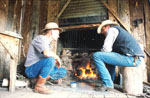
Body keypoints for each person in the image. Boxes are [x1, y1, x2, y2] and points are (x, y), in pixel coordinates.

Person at [93, 20, 144, 91]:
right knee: (108, 59)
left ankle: (108, 84)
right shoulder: (118, 31)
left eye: (102, 29)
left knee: (96, 55)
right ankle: (111, 81)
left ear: (107, 26)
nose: (102, 32)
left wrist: (100, 56)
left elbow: (106, 49)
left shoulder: (111, 30)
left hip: (132, 59)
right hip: (133, 58)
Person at [24, 22, 67, 94]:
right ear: (52, 31)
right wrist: (57, 57)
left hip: (39, 69)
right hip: (31, 70)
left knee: (62, 71)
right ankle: (39, 86)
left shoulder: (48, 44)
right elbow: (46, 54)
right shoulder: (41, 38)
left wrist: (54, 62)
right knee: (51, 60)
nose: (58, 36)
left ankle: (36, 80)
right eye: (57, 33)